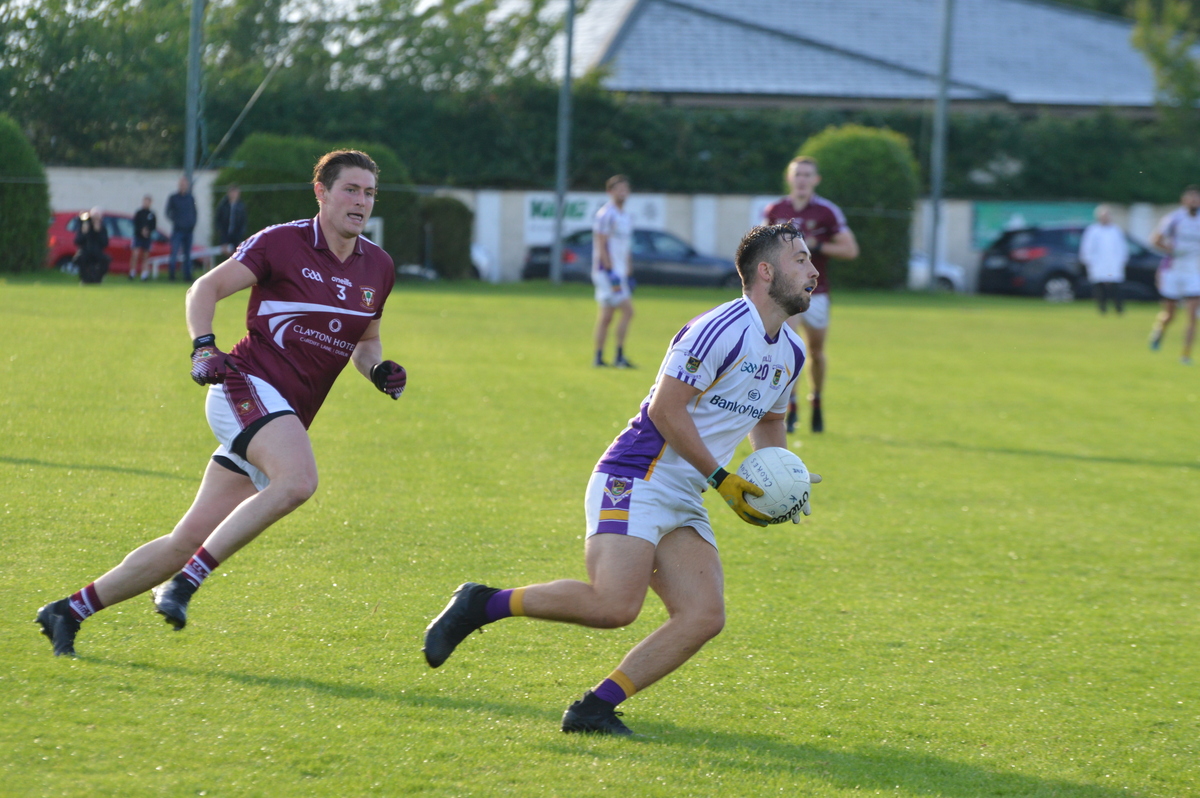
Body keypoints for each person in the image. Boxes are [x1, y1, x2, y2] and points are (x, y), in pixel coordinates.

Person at [423, 222, 823, 736]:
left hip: (685, 490)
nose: (814, 270)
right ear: (766, 272)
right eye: (802, 259)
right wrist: (721, 478)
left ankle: (594, 708)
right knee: (613, 606)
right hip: (636, 475)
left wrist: (779, 485)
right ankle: (484, 602)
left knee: (703, 614)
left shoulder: (789, 352)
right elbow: (665, 410)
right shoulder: (720, 329)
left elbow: (769, 422)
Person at [36, 150, 408, 658]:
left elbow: (366, 343)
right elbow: (204, 288)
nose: (361, 201)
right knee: (298, 481)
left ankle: (69, 609)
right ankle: (187, 584)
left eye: (369, 193)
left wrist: (379, 370)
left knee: (183, 540)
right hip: (245, 386)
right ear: (321, 192)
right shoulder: (282, 242)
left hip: (284, 414)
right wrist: (203, 346)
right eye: (351, 189)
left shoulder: (378, 266)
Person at [762, 156, 859, 434]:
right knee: (790, 349)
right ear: (789, 178)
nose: (802, 180)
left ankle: (816, 400)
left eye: (807, 175)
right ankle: (788, 406)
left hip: (818, 292)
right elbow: (762, 247)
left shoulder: (827, 212)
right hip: (786, 291)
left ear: (815, 180)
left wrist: (816, 246)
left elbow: (850, 250)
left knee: (815, 352)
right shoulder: (776, 210)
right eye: (797, 174)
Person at [1148, 185, 1200, 364]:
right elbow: (1154, 240)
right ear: (1183, 200)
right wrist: (1171, 249)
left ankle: (1185, 355)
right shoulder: (1174, 219)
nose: (1194, 201)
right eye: (1190, 198)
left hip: (1192, 273)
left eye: (1196, 198)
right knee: (1170, 315)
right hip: (1172, 271)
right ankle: (1159, 331)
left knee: (1192, 316)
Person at [592, 175, 636, 368]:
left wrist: (628, 269)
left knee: (606, 316)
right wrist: (609, 270)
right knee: (628, 311)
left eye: (625, 189)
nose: (623, 192)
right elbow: (601, 243)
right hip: (607, 274)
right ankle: (619, 357)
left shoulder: (625, 216)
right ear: (610, 192)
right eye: (619, 189)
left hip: (619, 273)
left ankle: (599, 358)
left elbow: (624, 247)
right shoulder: (605, 214)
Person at [1079, 204, 1129, 315]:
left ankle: (1119, 308)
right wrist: (1088, 260)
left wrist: (1122, 260)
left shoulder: (1116, 230)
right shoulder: (1093, 231)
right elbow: (1087, 247)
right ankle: (1102, 309)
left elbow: (1122, 248)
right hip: (1098, 264)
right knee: (1099, 287)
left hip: (1113, 264)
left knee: (1115, 286)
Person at [166, 175, 198, 282]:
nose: (183, 186)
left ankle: (187, 276)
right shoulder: (173, 197)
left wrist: (192, 223)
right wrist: (176, 221)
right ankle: (172, 276)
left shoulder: (191, 198)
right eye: (181, 184)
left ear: (187, 185)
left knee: (188, 255)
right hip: (177, 230)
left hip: (189, 231)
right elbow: (168, 212)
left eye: (185, 184)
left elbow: (194, 212)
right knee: (174, 253)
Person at [74, 207, 110, 284]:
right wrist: (84, 233)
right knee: (80, 258)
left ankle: (97, 280)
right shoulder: (85, 226)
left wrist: (98, 232)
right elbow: (77, 241)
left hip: (97, 252)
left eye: (97, 218)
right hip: (85, 251)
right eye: (94, 217)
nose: (95, 220)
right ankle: (85, 279)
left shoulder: (102, 229)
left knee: (106, 260)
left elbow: (105, 243)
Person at [215, 184, 248, 255]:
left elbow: (243, 222)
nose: (233, 194)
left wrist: (241, 234)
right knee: (225, 252)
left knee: (237, 253)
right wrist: (221, 234)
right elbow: (218, 220)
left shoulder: (241, 207)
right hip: (225, 234)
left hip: (236, 235)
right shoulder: (223, 205)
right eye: (232, 192)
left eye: (235, 192)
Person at [130, 195, 156, 281]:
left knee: (145, 256)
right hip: (138, 236)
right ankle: (132, 272)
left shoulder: (152, 214)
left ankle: (144, 274)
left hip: (147, 238)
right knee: (135, 254)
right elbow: (135, 224)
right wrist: (141, 231)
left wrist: (147, 231)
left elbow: (153, 226)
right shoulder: (139, 213)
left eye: (148, 201)